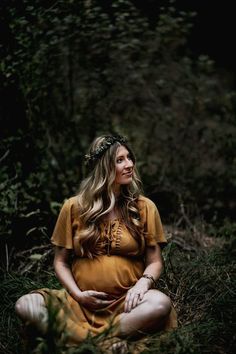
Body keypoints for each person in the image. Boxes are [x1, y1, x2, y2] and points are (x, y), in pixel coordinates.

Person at [15, 134, 177, 352]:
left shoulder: (145, 207)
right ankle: (103, 343)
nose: (129, 165)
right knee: (25, 305)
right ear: (103, 168)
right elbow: (61, 262)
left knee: (160, 304)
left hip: (126, 306)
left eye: (129, 158)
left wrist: (143, 284)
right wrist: (78, 295)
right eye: (120, 160)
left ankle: (82, 341)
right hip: (78, 305)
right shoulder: (73, 207)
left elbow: (155, 261)